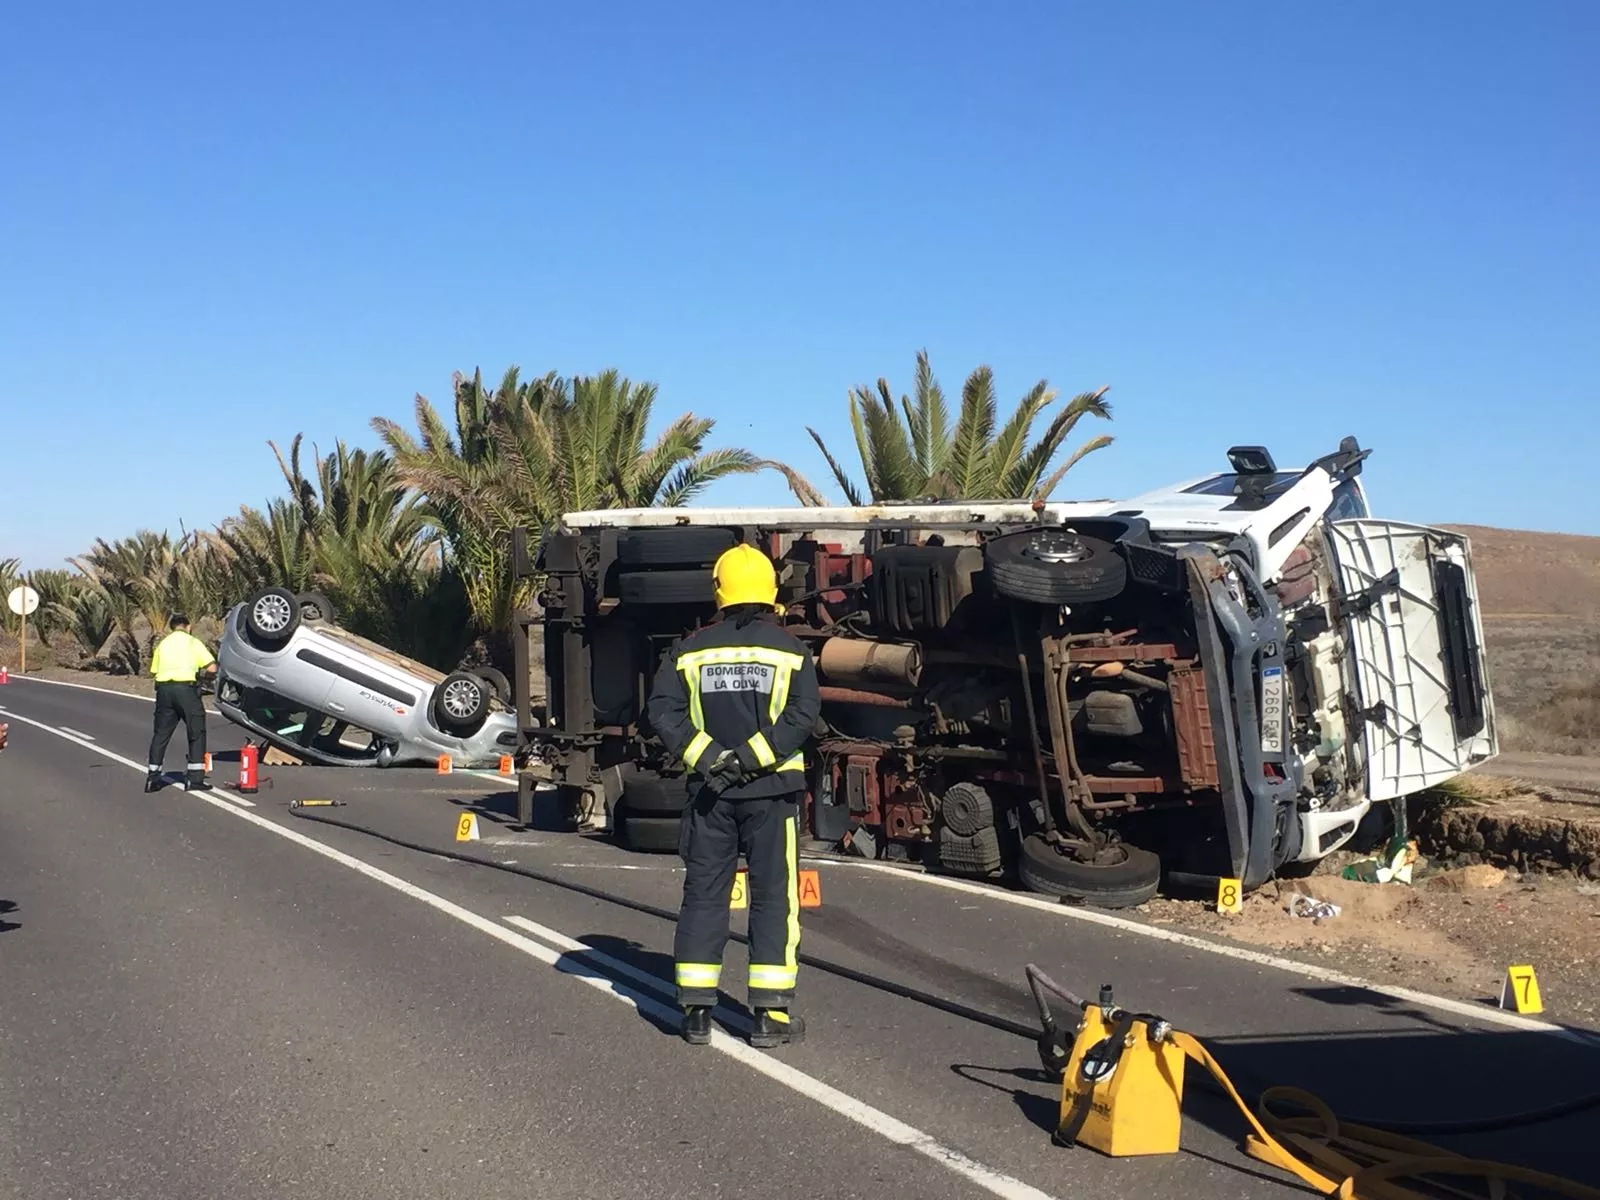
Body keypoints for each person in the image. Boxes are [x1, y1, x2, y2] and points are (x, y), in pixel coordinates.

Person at [646, 543, 820, 1049]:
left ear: (719, 592)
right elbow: (801, 718)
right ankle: (770, 1017)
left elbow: (664, 712)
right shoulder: (791, 652)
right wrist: (749, 758)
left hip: (710, 796)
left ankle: (696, 1012)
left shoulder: (690, 650)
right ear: (770, 593)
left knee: (704, 894)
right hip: (772, 794)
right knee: (773, 900)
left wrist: (710, 760)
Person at [145, 614, 218, 792]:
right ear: (188, 626)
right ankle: (194, 778)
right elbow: (212, 667)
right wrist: (203, 679)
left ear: (172, 628)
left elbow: (154, 670)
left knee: (161, 734)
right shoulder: (193, 642)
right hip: (186, 690)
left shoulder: (163, 644)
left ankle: (153, 778)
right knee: (196, 732)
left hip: (164, 691)